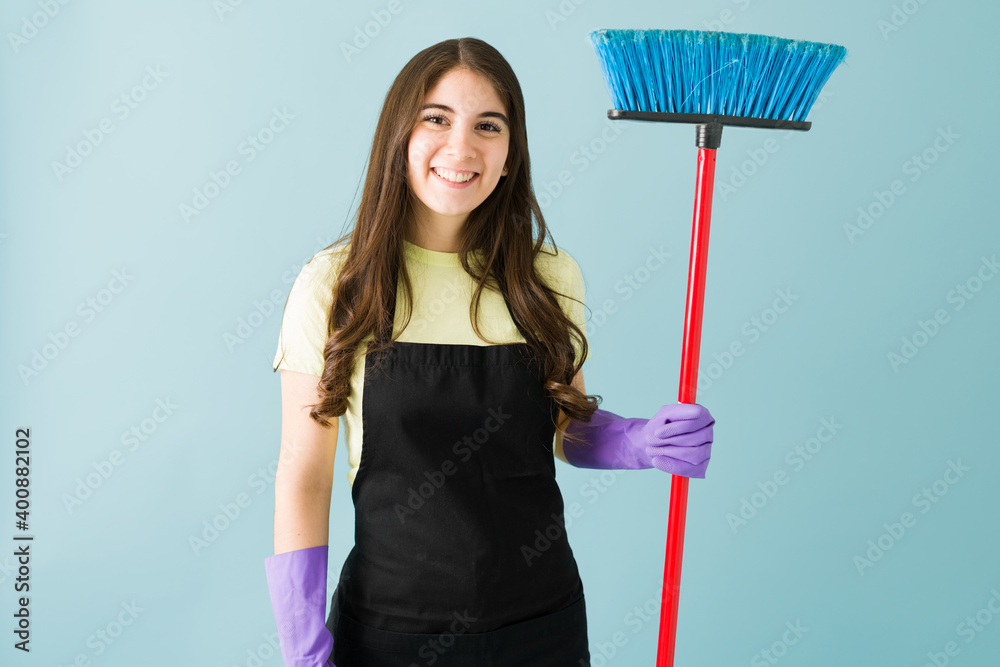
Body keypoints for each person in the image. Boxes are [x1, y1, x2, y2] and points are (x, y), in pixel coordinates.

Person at [263, 37, 715, 667]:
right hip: (391, 633)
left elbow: (567, 427)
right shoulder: (337, 285)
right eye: (436, 119)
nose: (461, 147)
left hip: (541, 627)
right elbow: (303, 477)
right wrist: (305, 649)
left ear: (510, 154)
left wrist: (640, 441)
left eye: (488, 126)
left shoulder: (548, 277)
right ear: (399, 137)